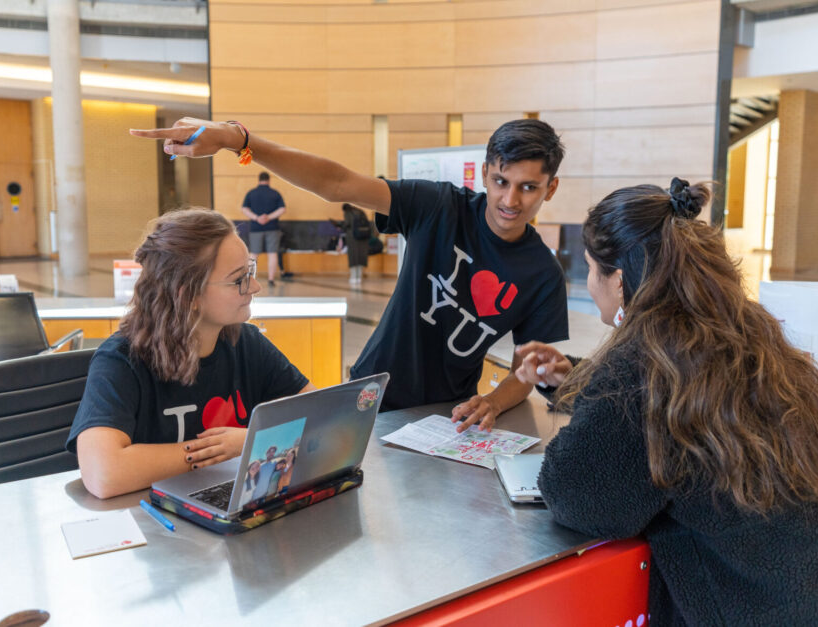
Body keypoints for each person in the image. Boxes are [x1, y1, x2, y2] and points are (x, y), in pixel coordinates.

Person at [513, 179, 818, 624]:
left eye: (593, 270)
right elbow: (667, 410)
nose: (590, 284)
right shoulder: (746, 329)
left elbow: (580, 494)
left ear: (620, 278)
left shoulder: (643, 362)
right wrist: (577, 378)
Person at [130, 118, 569, 423]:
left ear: (549, 188)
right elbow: (335, 182)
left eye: (528, 187)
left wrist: (492, 401)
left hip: (447, 414)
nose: (510, 200)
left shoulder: (542, 275)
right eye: (500, 182)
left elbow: (524, 371)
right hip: (369, 392)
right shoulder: (440, 207)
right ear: (486, 173)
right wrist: (240, 141)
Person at [67, 208, 314, 499]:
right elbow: (103, 474)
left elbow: (321, 419)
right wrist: (234, 451)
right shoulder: (121, 360)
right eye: (239, 279)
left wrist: (249, 442)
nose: (255, 287)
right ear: (188, 296)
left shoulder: (247, 343)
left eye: (251, 272)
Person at [242, 171, 286, 286]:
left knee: (253, 254)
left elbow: (244, 209)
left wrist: (257, 218)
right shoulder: (275, 193)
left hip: (256, 228)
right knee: (272, 253)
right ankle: (271, 280)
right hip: (273, 227)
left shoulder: (251, 193)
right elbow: (282, 209)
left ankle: (249, 279)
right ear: (269, 180)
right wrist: (269, 217)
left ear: (259, 179)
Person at [332, 203, 372, 286]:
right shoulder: (361, 211)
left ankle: (353, 277)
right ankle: (359, 277)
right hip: (363, 237)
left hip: (353, 238)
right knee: (361, 257)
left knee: (353, 257)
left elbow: (347, 224)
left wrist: (339, 225)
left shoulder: (348, 213)